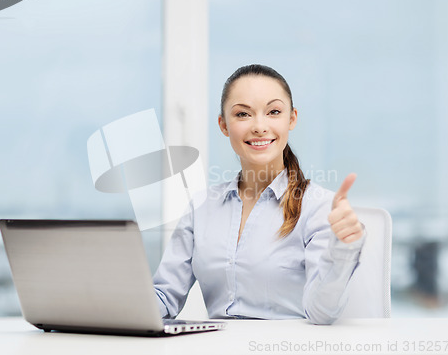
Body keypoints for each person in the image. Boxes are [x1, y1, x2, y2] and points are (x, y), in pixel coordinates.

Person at [153, 64, 366, 325]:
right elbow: (164, 297)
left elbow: (321, 313)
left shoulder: (319, 207)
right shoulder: (202, 207)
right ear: (223, 124)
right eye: (243, 114)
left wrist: (343, 249)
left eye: (274, 112)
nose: (259, 126)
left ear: (292, 119)